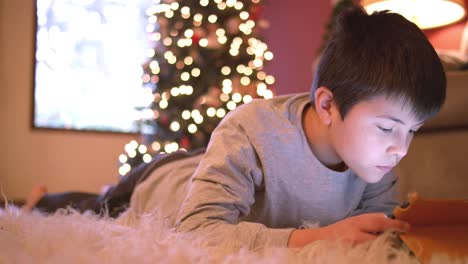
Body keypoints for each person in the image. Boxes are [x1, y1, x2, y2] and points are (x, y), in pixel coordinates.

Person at [23, 5, 446, 250]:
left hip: (214, 170)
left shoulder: (374, 164)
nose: (401, 148)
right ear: (328, 105)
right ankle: (45, 198)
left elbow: (370, 233)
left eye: (412, 130)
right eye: (389, 128)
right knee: (96, 208)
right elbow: (197, 231)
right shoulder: (253, 128)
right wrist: (318, 237)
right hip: (165, 182)